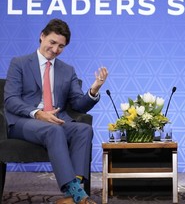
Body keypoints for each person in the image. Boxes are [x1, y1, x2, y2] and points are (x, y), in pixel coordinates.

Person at [4, 18, 108, 204]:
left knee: (84, 129)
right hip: (23, 122)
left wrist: (94, 90)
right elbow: (11, 100)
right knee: (54, 129)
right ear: (42, 36)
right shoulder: (19, 63)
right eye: (52, 42)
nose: (55, 49)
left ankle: (71, 196)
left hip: (56, 121)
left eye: (61, 46)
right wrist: (38, 113)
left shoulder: (67, 70)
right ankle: (78, 195)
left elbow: (78, 104)